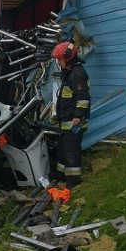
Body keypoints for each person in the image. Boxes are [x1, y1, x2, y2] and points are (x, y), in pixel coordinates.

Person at [51, 41, 90, 188]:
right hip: (66, 121)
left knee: (71, 151)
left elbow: (83, 98)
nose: (59, 63)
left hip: (74, 122)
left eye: (60, 59)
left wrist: (77, 117)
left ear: (67, 57)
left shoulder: (77, 74)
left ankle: (73, 181)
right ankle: (61, 174)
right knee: (62, 149)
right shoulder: (69, 73)